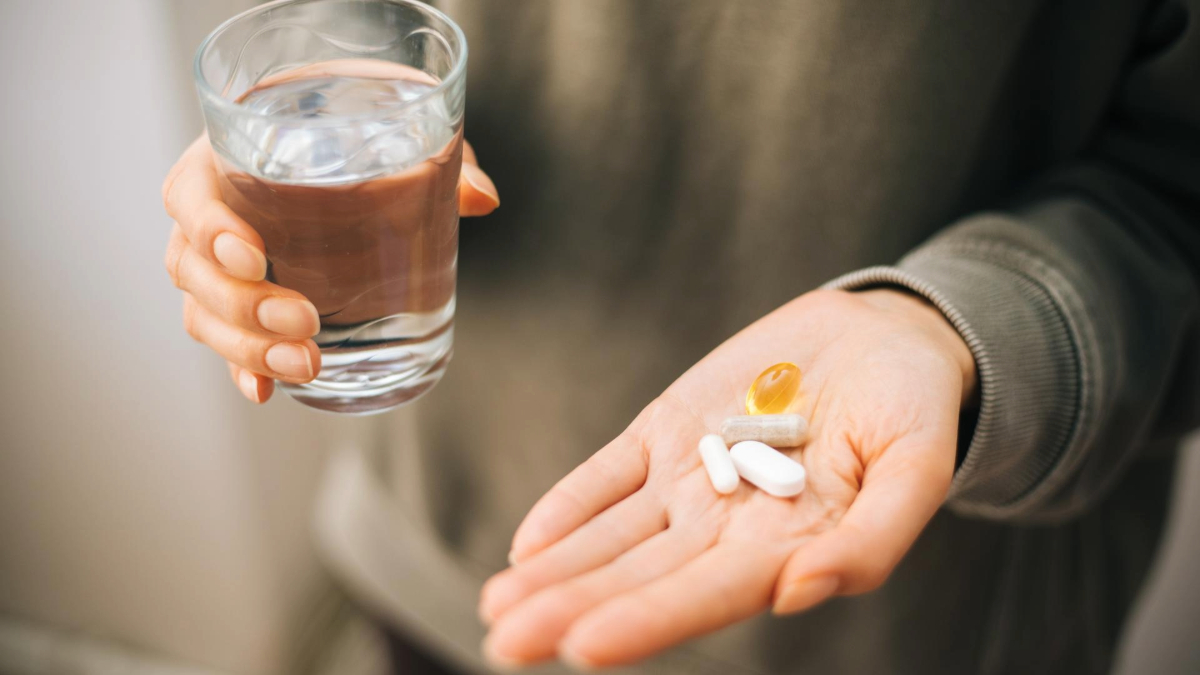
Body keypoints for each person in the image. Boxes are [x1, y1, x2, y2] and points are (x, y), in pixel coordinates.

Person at [161, 1, 1200, 673]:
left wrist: (955, 328)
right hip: (450, 532)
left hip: (920, 626)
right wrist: (326, 118)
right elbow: (387, 25)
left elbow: (1177, 188)